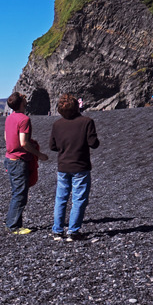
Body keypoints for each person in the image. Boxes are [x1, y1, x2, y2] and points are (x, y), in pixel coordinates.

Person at [49, 93, 100, 241]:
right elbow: (93, 143)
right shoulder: (87, 122)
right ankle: (73, 231)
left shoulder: (57, 125)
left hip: (63, 166)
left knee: (61, 199)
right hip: (80, 166)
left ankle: (57, 230)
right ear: (76, 106)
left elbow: (53, 146)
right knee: (78, 199)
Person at [4, 92, 49, 234]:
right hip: (19, 160)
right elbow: (24, 142)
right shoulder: (24, 119)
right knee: (20, 194)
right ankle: (13, 226)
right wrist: (39, 155)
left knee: (17, 192)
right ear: (22, 103)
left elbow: (6, 138)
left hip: (9, 158)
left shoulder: (9, 118)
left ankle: (14, 223)